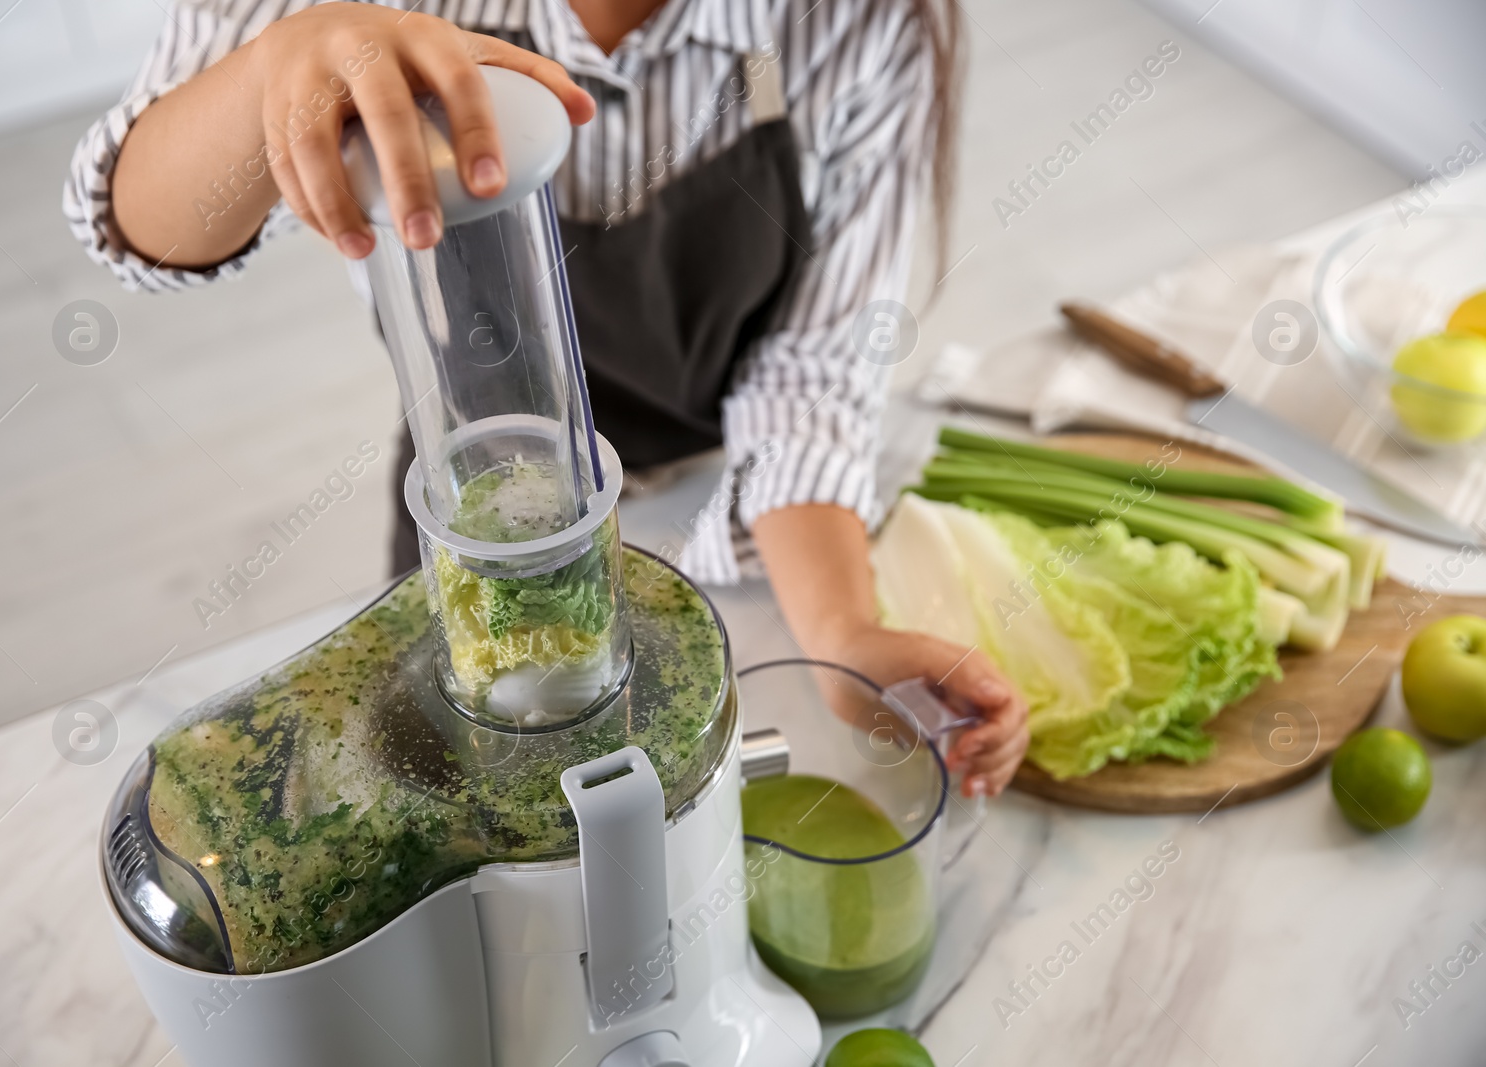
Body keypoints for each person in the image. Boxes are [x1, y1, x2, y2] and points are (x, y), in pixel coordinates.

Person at [64, 0, 1029, 795]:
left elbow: (806, 379)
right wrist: (276, 65)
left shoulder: (862, 22)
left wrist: (843, 634)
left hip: (739, 512)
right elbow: (131, 223)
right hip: (481, 516)